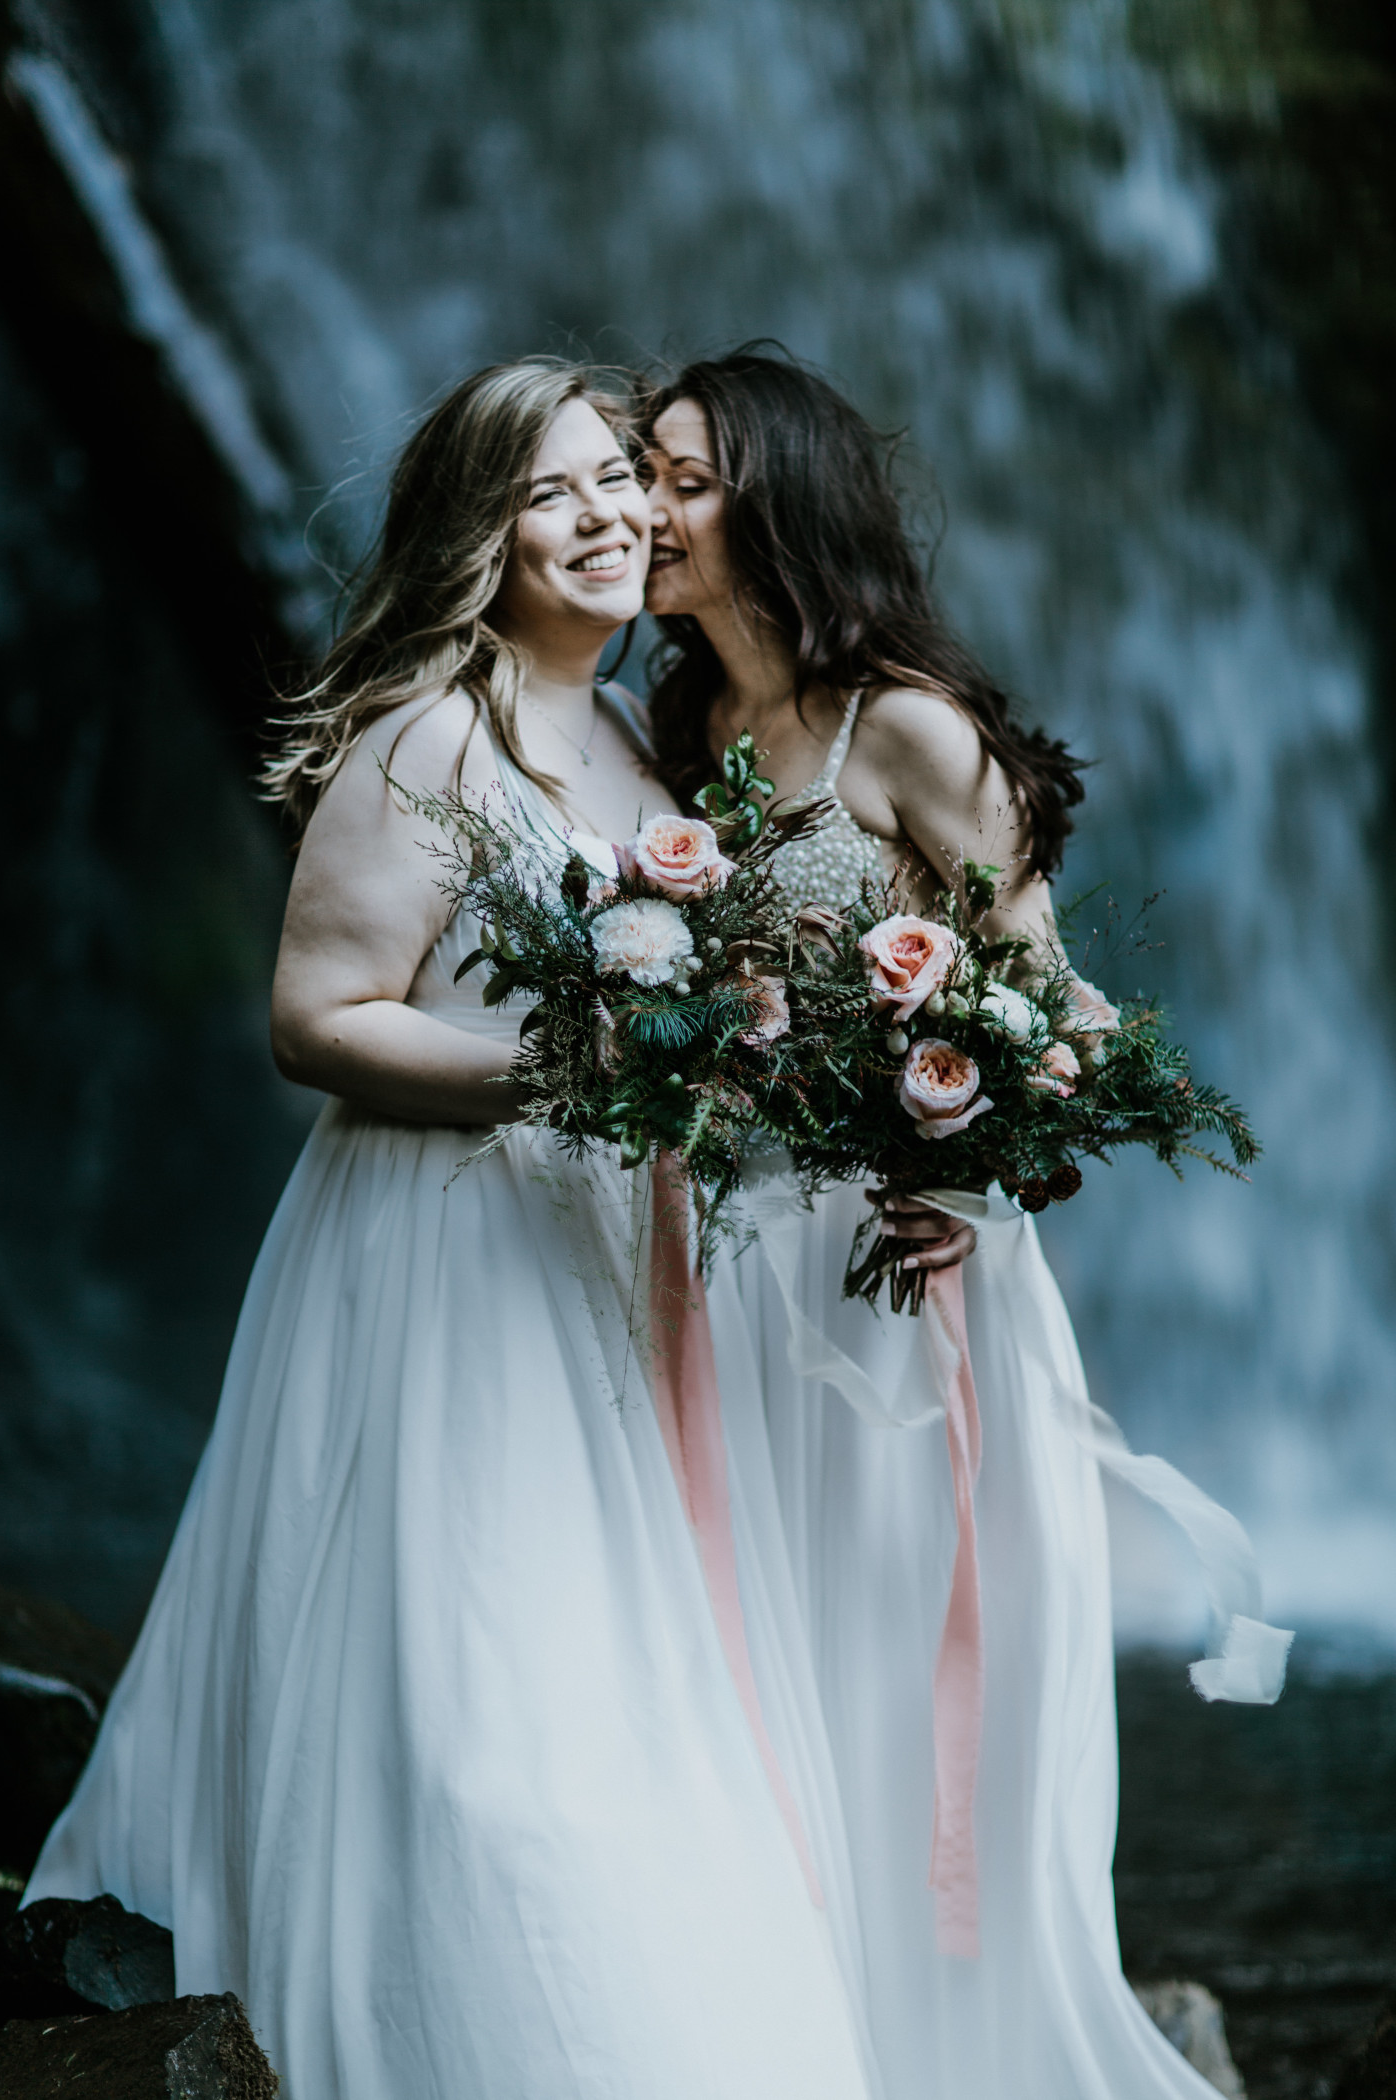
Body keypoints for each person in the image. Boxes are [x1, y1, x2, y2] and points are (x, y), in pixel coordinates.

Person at [25, 359, 878, 2099]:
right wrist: (555, 1065)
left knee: (627, 1676)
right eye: (553, 492)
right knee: (484, 1697)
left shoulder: (641, 742)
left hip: (604, 1277)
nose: (612, 516)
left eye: (628, 482)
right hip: (445, 1262)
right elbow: (318, 1015)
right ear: (478, 537)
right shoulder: (434, 733)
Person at [639, 345, 1283, 2099]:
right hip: (742, 1284)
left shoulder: (903, 724)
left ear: (775, 495)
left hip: (911, 1295)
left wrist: (964, 1180)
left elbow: (1062, 1018)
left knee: (886, 1656)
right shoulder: (687, 730)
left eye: (686, 475)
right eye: (644, 472)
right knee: (758, 1669)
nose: (648, 506)